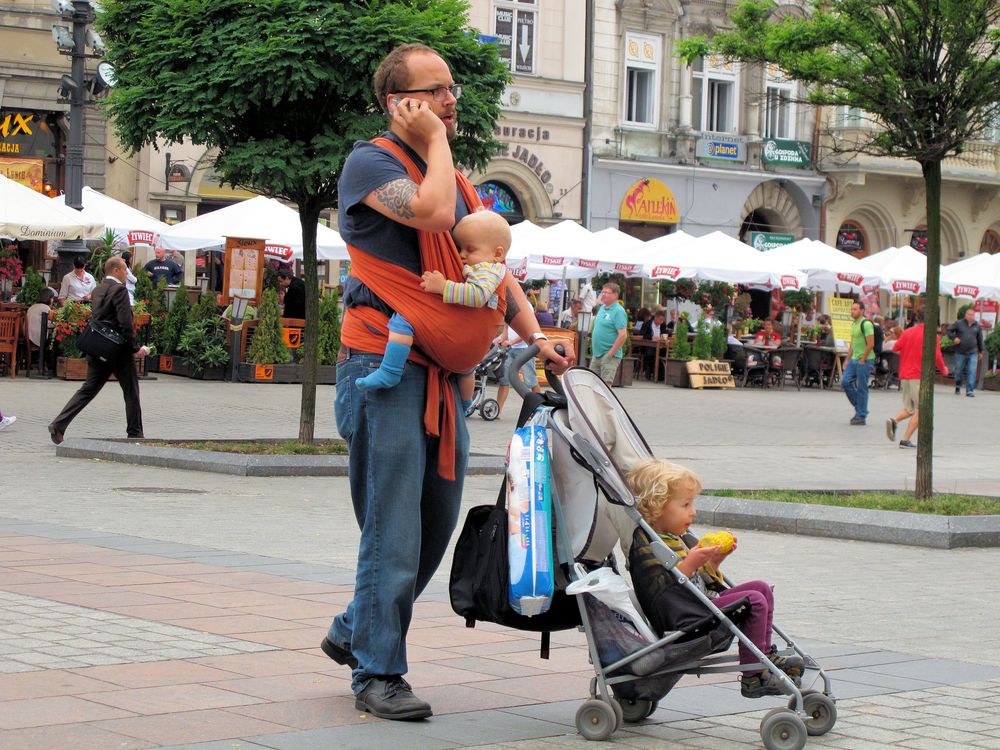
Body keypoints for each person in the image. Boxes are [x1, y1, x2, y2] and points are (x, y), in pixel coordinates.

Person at [322, 42, 572, 721]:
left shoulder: (456, 178)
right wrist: (430, 138)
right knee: (393, 532)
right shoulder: (371, 163)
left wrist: (536, 336)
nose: (449, 99)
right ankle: (378, 671)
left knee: (432, 528)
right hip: (382, 370)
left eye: (450, 87)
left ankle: (354, 628)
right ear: (396, 103)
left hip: (442, 378)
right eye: (432, 91)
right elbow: (432, 214)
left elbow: (491, 268)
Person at [626, 459, 804, 698]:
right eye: (685, 504)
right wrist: (692, 562)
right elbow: (664, 589)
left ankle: (763, 655)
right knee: (754, 600)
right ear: (657, 507)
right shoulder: (646, 543)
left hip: (695, 606)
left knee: (761, 588)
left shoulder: (670, 536)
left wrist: (714, 561)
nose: (693, 511)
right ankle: (753, 676)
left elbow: (695, 578)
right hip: (682, 617)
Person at [355, 210, 511, 413]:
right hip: (472, 343)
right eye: (459, 248)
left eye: (470, 249)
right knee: (466, 368)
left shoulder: (487, 269)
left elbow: (477, 295)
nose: (462, 255)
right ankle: (464, 405)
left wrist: (443, 286)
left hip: (461, 331)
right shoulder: (493, 267)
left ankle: (390, 370)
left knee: (403, 320)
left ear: (497, 253)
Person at [48, 257, 149, 445]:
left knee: (88, 389)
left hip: (98, 346)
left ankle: (59, 424)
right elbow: (125, 323)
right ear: (117, 270)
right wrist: (135, 348)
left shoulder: (98, 289)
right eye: (125, 270)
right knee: (131, 391)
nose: (127, 274)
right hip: (118, 350)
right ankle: (135, 433)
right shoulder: (119, 290)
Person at [886, 311, 948, 448]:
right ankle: (905, 439)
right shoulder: (931, 336)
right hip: (919, 375)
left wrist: (908, 353)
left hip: (905, 375)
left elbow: (895, 348)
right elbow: (937, 356)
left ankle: (894, 421)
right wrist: (944, 370)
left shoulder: (907, 332)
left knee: (910, 408)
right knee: (922, 409)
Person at [494, 324, 542, 417]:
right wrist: (502, 339)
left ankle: (538, 409)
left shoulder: (527, 309)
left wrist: (511, 342)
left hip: (525, 349)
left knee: (531, 380)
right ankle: (497, 411)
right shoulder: (508, 310)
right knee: (504, 380)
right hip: (509, 349)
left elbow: (527, 333)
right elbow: (506, 329)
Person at [843, 301, 876, 425]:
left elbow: (871, 343)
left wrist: (863, 358)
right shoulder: (853, 324)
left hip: (865, 360)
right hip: (854, 359)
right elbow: (853, 343)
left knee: (862, 387)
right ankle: (860, 406)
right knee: (845, 382)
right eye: (852, 309)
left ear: (862, 311)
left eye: (855, 309)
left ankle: (861, 415)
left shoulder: (866, 324)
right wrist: (847, 359)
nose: (852, 311)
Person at [589, 282, 628, 386]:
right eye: (602, 292)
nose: (603, 294)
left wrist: (611, 353)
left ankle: (603, 403)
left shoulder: (618, 311)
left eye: (606, 292)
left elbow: (623, 335)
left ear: (615, 295)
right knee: (592, 384)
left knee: (605, 386)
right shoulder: (602, 308)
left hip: (609, 355)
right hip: (597, 354)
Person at [947, 307, 984, 397]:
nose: (971, 316)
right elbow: (949, 330)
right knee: (958, 371)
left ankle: (970, 391)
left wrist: (981, 351)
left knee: (972, 371)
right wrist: (954, 338)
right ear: (965, 315)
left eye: (972, 315)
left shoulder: (977, 325)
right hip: (960, 352)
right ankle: (958, 385)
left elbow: (980, 339)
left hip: (973, 352)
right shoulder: (959, 323)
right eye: (969, 314)